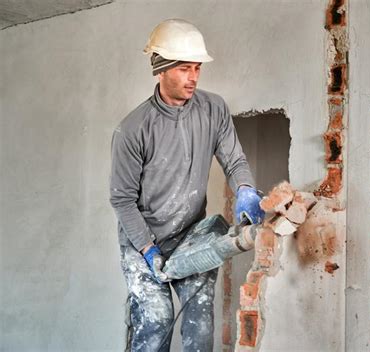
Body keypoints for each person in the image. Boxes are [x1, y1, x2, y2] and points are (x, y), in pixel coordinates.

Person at [109, 19, 264, 352]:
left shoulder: (214, 109)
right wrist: (148, 249)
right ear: (161, 69)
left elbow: (234, 161)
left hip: (192, 235)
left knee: (199, 323)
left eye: (197, 67)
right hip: (144, 244)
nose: (194, 76)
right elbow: (122, 200)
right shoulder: (133, 129)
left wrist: (246, 190)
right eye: (184, 68)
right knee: (156, 322)